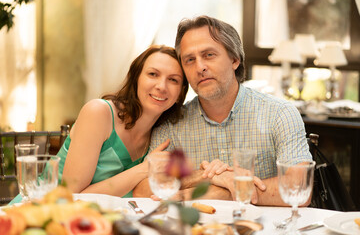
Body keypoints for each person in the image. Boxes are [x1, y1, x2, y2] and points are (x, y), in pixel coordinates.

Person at [133, 16, 313, 206]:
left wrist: (222, 194)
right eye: (190, 60)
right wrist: (206, 177)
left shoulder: (280, 114)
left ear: (235, 59)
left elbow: (299, 186)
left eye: (209, 55)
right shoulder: (171, 125)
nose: (200, 67)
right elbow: (143, 190)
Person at [56, 45, 188, 198]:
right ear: (136, 78)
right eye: (153, 74)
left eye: (173, 80)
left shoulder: (161, 135)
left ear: (180, 93)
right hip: (45, 211)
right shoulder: (98, 112)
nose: (161, 86)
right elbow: (71, 196)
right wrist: (145, 169)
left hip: (109, 217)